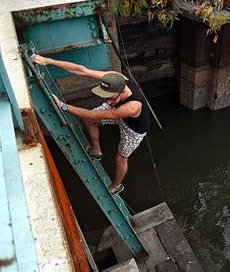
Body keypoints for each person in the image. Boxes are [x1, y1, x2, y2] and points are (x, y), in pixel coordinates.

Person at [31, 55, 150, 194]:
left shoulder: (132, 106)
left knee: (120, 158)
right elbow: (82, 70)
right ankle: (96, 151)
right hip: (119, 112)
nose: (107, 102)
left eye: (110, 99)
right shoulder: (116, 78)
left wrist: (63, 106)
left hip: (133, 129)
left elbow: (91, 114)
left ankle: (117, 185)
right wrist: (48, 61)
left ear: (121, 92)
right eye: (105, 97)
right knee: (87, 121)